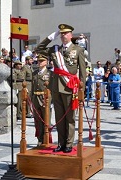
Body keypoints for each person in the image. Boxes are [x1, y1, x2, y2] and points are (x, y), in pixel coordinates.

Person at [35, 23, 86, 153]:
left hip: (70, 87)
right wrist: (51, 37)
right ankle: (61, 143)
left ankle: (69, 143)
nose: (63, 36)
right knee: (59, 117)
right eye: (61, 34)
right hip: (56, 87)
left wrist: (82, 90)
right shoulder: (55, 49)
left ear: (71, 35)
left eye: (66, 33)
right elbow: (38, 48)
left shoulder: (78, 50)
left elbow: (83, 72)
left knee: (69, 117)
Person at [31, 52, 52, 146]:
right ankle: (39, 139)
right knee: (38, 120)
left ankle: (46, 139)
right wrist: (31, 99)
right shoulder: (34, 73)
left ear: (46, 62)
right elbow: (32, 87)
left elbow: (52, 88)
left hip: (45, 99)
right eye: (38, 61)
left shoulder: (49, 73)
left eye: (42, 61)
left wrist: (50, 101)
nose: (39, 62)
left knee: (46, 120)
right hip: (36, 98)